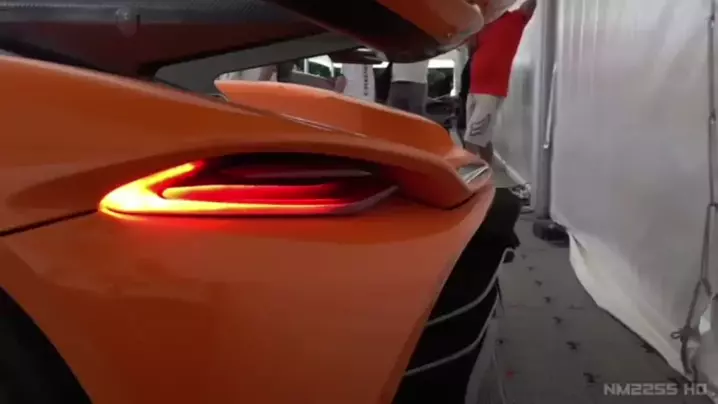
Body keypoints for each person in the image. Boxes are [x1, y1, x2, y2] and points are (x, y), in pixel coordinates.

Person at [464, 0, 536, 164]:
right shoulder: (480, 26)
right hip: (474, 89)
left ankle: (468, 177)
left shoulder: (515, 19)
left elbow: (531, 5)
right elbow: (472, 51)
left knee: (471, 139)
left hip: (491, 91)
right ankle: (488, 172)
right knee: (483, 139)